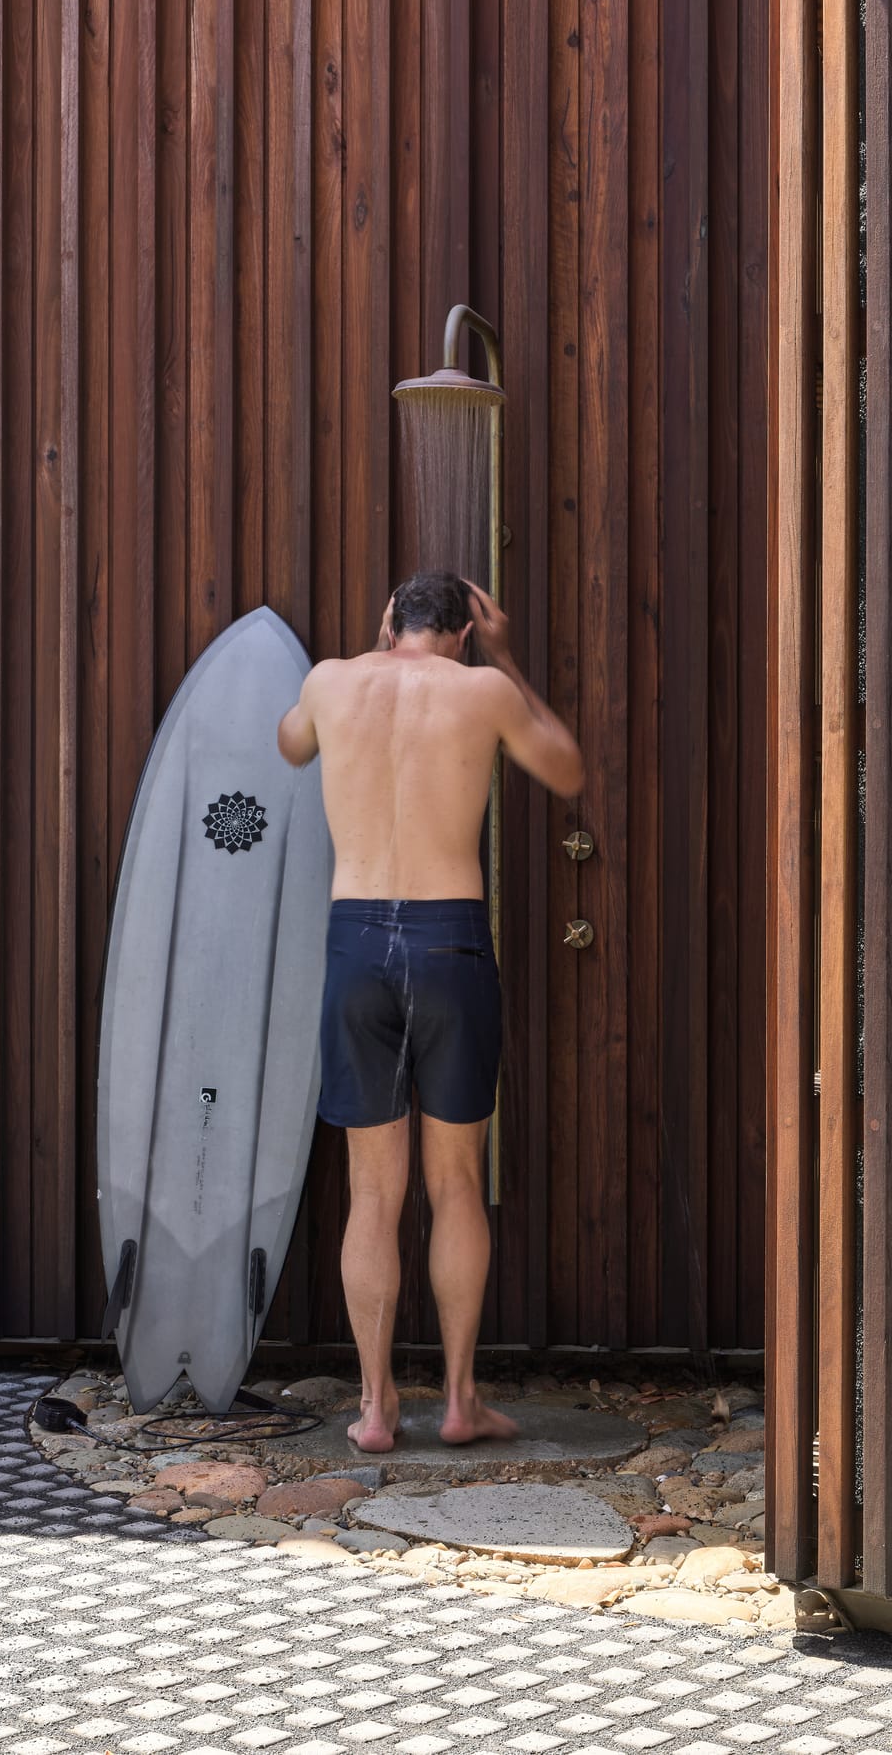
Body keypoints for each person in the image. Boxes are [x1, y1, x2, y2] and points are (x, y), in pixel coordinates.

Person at [277, 570, 585, 1452]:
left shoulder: (332, 681)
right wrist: (510, 658)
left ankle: (375, 1410)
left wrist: (367, 662)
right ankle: (458, 1400)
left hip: (356, 940)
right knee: (454, 1183)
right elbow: (565, 766)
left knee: (374, 1189)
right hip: (450, 942)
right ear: (464, 630)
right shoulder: (484, 687)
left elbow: (290, 745)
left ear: (391, 623)